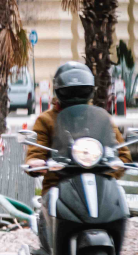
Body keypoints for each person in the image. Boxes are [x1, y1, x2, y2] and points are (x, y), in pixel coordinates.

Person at [25, 62, 130, 243]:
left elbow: (122, 152)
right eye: (70, 91)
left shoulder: (101, 117)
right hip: (59, 184)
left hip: (99, 186)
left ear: (89, 90)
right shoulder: (46, 120)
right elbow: (36, 151)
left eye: (81, 90)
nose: (75, 95)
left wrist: (114, 165)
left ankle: (115, 254)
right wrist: (36, 162)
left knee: (119, 204)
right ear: (59, 91)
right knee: (49, 212)